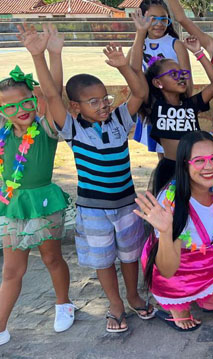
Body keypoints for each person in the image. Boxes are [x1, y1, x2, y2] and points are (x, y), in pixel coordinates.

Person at [24, 24, 155, 333]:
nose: (103, 104)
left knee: (130, 254)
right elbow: (52, 94)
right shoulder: (73, 129)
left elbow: (140, 92)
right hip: (93, 209)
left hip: (126, 205)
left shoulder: (121, 119)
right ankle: (115, 304)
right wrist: (42, 55)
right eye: (93, 101)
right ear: (75, 107)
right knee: (103, 260)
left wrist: (123, 66)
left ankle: (134, 295)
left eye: (104, 98)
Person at [135, 131, 213, 331]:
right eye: (199, 161)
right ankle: (178, 305)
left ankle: (208, 299)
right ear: (185, 163)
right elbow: (167, 270)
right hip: (179, 267)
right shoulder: (169, 202)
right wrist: (166, 232)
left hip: (212, 254)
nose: (209, 167)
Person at [0, 28, 75, 346]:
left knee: (51, 259)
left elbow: (54, 93)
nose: (21, 110)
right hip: (12, 203)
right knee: (11, 270)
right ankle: (1, 325)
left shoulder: (44, 129)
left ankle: (63, 303)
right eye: (11, 107)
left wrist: (45, 54)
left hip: (43, 202)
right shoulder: (4, 133)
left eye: (26, 102)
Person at [142, 35, 213, 194]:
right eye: (173, 74)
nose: (180, 77)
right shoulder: (153, 106)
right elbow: (136, 76)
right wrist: (141, 33)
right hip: (170, 169)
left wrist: (198, 53)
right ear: (158, 83)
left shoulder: (191, 105)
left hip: (194, 168)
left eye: (182, 73)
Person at [128, 0, 191, 158]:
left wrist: (187, 105)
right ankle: (164, 182)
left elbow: (187, 77)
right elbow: (134, 70)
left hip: (173, 106)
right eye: (152, 19)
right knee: (161, 154)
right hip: (151, 107)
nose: (159, 23)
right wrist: (140, 33)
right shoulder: (138, 44)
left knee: (177, 153)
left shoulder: (175, 44)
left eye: (164, 19)